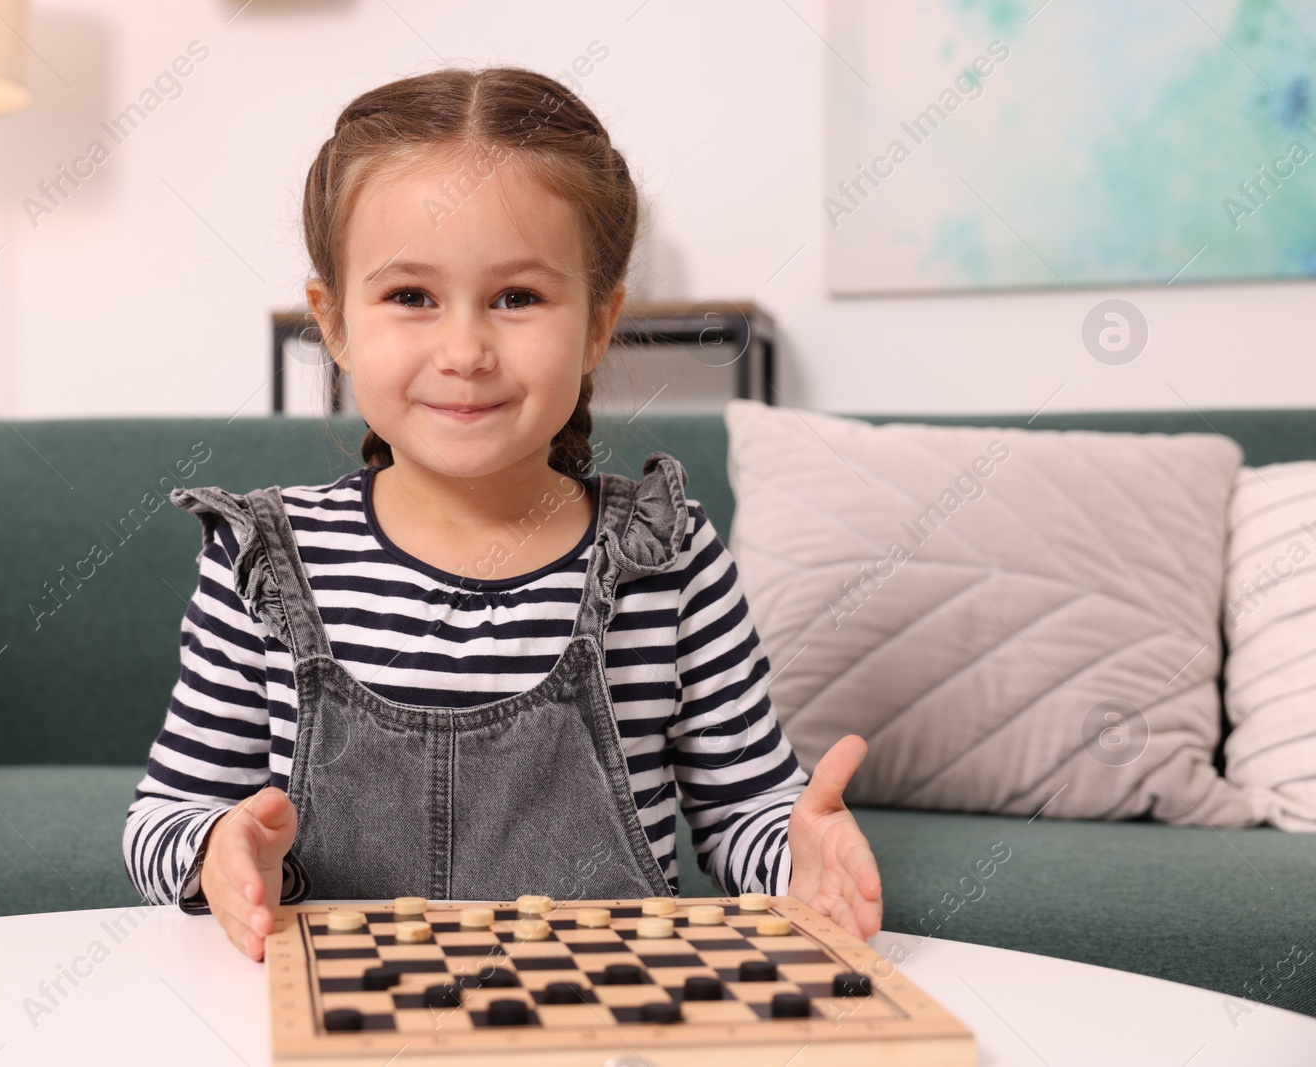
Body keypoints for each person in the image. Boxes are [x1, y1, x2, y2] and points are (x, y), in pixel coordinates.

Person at [122, 65, 881, 962]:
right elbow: (162, 820)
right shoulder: (262, 559)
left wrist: (801, 854)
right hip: (338, 1025)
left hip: (607, 1022)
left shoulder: (668, 555)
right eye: (411, 297)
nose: (465, 350)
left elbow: (744, 816)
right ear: (333, 323)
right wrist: (218, 847)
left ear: (599, 323)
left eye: (517, 298)